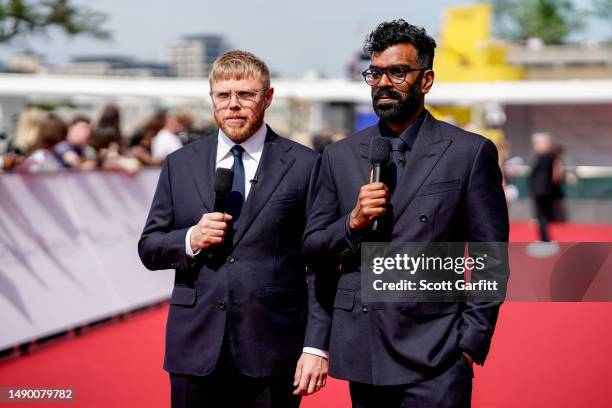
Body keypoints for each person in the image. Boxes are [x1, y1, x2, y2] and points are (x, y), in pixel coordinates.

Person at [303, 20, 509, 407]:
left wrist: (469, 344)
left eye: (397, 72)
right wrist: (352, 223)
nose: (383, 82)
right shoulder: (339, 156)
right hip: (363, 349)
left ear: (426, 80)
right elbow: (314, 249)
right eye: (375, 72)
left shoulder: (468, 153)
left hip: (437, 354)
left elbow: (490, 258)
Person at [138, 50, 329, 408]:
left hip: (273, 349)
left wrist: (316, 345)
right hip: (194, 347)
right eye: (223, 95)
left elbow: (320, 263)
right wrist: (190, 239)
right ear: (212, 98)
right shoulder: (180, 164)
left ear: (267, 97)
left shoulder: (306, 165)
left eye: (246, 94)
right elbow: (149, 247)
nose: (234, 105)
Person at [529, 132, 556, 241]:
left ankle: (545, 239)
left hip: (541, 190)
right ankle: (543, 238)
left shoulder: (545, 157)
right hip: (542, 189)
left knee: (542, 215)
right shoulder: (544, 157)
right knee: (541, 215)